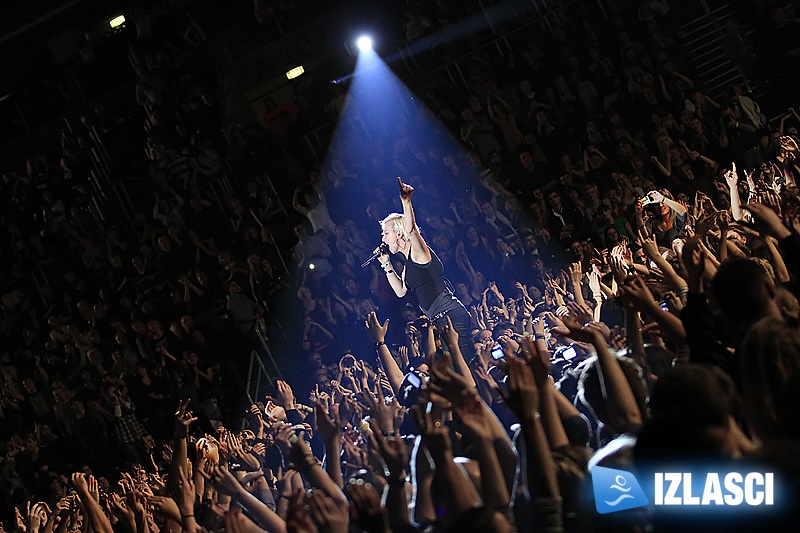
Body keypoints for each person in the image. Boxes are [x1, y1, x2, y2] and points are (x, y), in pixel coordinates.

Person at [377, 178, 474, 359]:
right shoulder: (408, 264)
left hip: (451, 316)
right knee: (459, 368)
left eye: (386, 233)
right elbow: (400, 291)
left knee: (462, 367)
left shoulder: (419, 253)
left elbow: (412, 230)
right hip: (441, 319)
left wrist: (406, 202)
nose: (383, 238)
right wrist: (386, 263)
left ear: (399, 233)